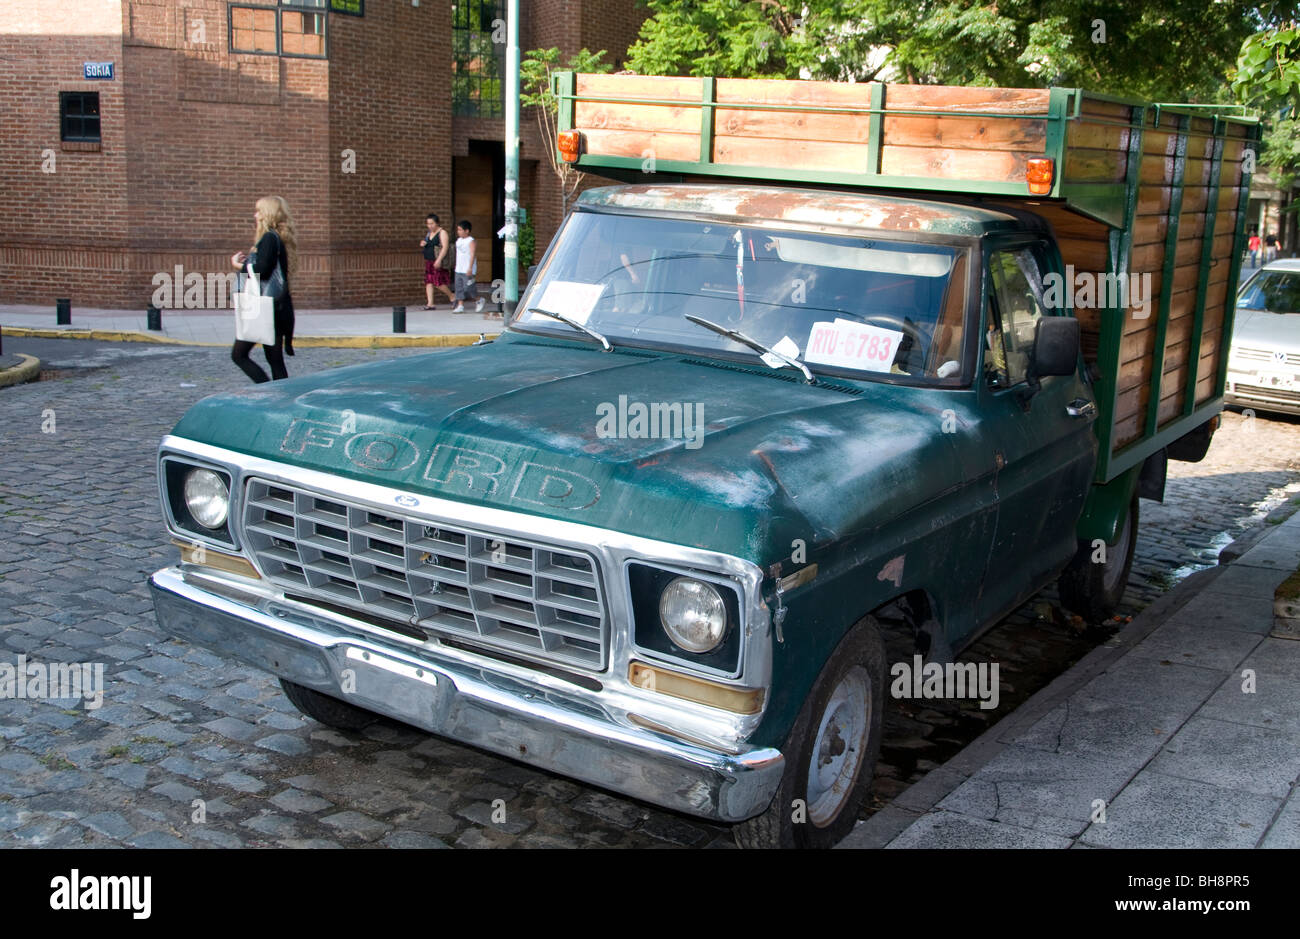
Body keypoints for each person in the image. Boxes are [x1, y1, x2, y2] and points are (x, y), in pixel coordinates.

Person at [230, 195, 296, 383]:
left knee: (239, 355)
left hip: (266, 308)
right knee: (275, 360)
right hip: (276, 307)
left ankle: (266, 389)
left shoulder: (269, 238)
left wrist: (239, 266)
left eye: (259, 211)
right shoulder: (277, 238)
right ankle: (280, 395)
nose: (255, 215)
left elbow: (263, 271)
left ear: (267, 214)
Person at [452, 219, 486, 315]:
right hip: (459, 268)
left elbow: (472, 254)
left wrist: (470, 267)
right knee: (459, 287)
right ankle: (460, 305)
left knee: (468, 287)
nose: (458, 232)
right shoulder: (458, 241)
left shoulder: (471, 241)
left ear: (466, 230)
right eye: (458, 230)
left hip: (467, 269)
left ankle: (479, 299)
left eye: (460, 230)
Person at [421, 213, 454, 308]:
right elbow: (429, 243)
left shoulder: (442, 232)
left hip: (437, 261)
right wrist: (424, 243)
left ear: (437, 223)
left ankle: (452, 296)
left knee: (438, 282)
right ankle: (430, 303)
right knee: (429, 282)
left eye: (432, 223)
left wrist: (439, 260)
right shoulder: (429, 233)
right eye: (428, 224)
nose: (430, 226)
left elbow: (445, 247)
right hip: (429, 260)